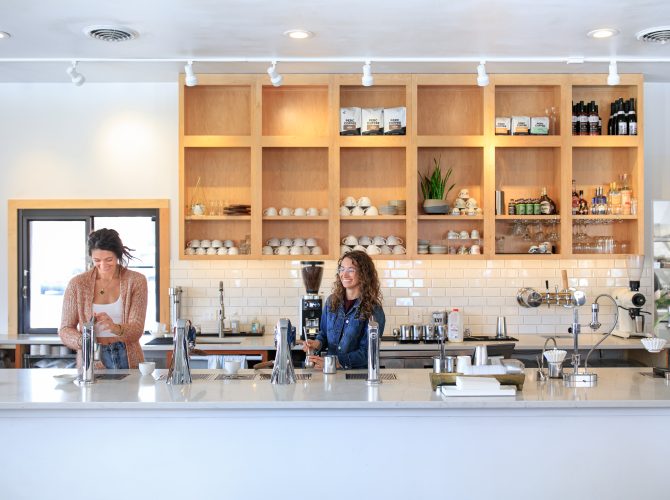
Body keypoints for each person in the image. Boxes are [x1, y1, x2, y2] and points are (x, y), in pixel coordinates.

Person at [60, 228, 148, 369]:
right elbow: (65, 329)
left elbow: (137, 329)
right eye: (97, 260)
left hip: (128, 357)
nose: (103, 265)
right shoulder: (77, 284)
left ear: (117, 255)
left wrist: (115, 328)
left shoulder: (136, 281)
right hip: (91, 359)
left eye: (109, 260)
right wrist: (84, 341)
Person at [303, 250, 385, 369]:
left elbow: (367, 353)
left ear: (364, 274)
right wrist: (316, 344)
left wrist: (333, 362)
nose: (344, 275)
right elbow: (324, 334)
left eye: (351, 270)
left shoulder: (374, 309)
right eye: (342, 269)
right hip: (331, 375)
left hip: (357, 378)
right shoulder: (331, 302)